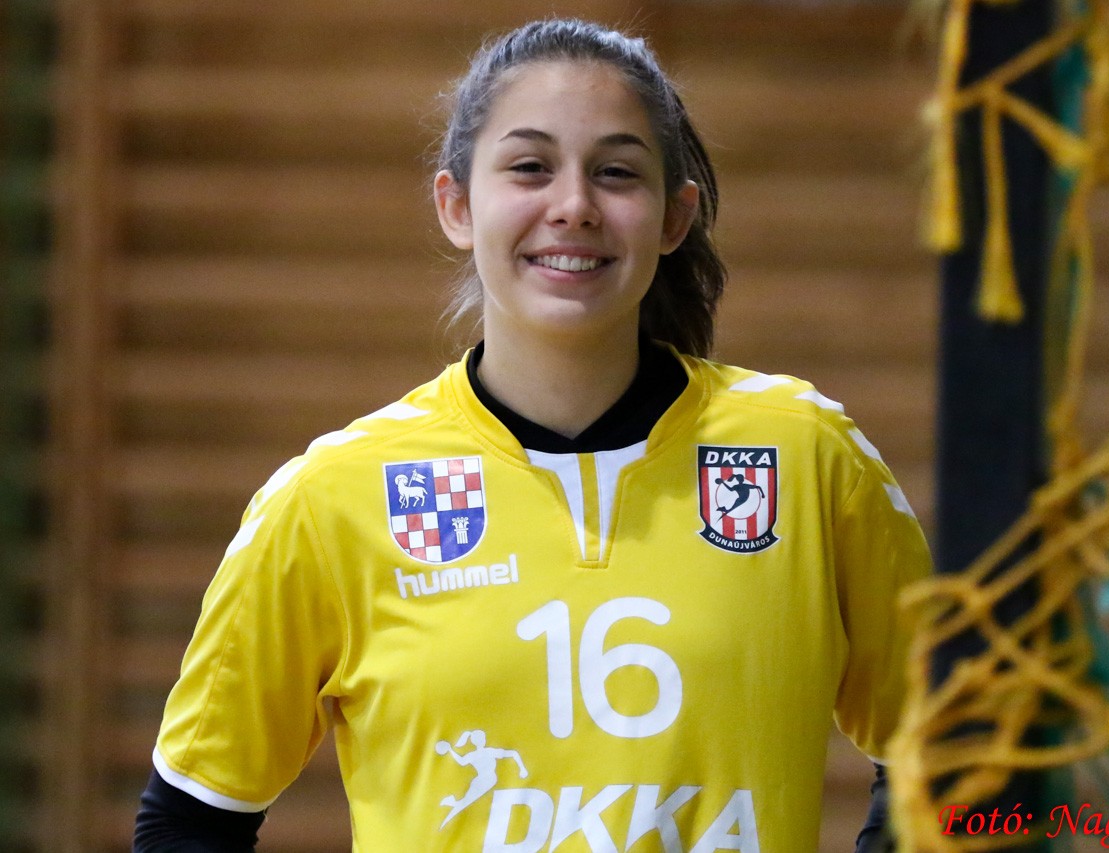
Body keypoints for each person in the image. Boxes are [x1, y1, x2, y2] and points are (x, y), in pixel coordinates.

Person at [134, 18, 931, 852]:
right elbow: (187, 823)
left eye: (616, 172)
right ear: (456, 205)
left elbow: (963, 763)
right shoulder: (334, 497)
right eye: (529, 167)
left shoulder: (805, 456)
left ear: (674, 216)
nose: (574, 206)